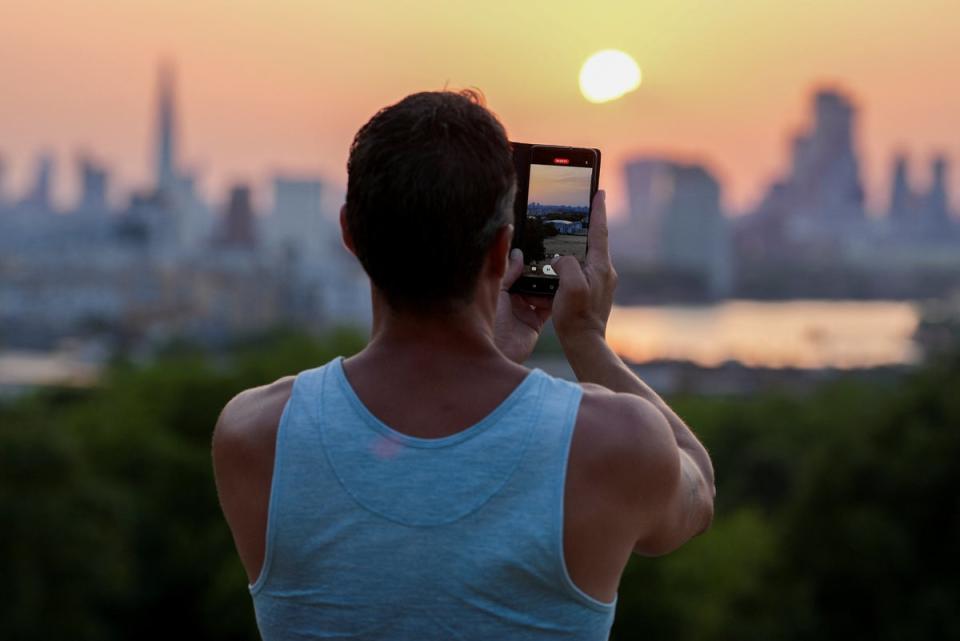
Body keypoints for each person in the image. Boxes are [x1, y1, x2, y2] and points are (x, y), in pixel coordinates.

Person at [211, 89, 715, 640]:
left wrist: (493, 354)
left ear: (349, 235)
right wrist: (587, 338)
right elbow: (698, 490)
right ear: (502, 251)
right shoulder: (613, 442)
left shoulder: (255, 435)